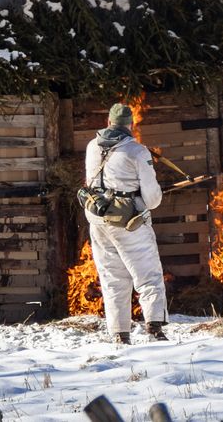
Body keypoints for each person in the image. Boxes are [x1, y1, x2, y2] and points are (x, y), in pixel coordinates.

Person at [82, 103, 168, 344]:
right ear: (131, 125)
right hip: (129, 223)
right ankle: (155, 328)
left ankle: (120, 334)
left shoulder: (91, 147)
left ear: (108, 122)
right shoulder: (137, 151)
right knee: (148, 275)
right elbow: (152, 199)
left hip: (98, 221)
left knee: (112, 278)